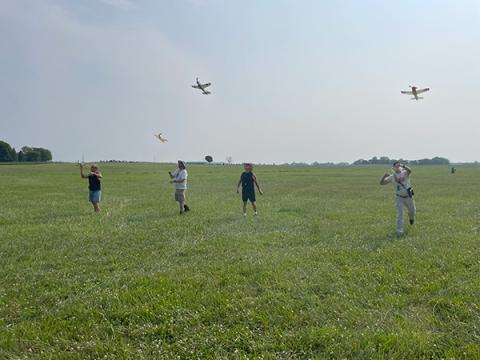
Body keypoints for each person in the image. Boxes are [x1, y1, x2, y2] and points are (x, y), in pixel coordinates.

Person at [380, 161, 415, 235]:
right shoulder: (392, 177)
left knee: (412, 211)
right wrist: (384, 176)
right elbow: (382, 183)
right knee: (400, 214)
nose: (397, 167)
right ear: (393, 168)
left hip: (408, 196)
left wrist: (403, 165)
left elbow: (410, 170)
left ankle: (411, 218)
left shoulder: (405, 173)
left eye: (398, 166)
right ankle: (399, 231)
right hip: (399, 198)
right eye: (395, 166)